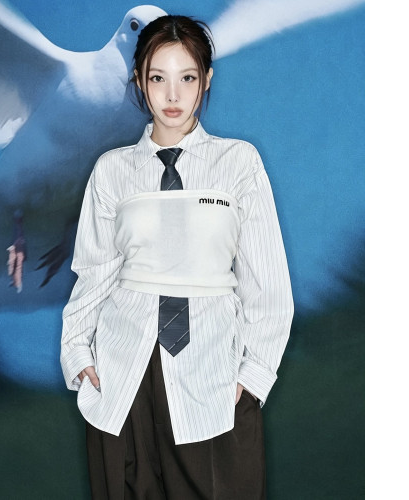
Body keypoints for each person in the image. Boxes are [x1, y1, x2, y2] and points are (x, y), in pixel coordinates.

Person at [61, 14, 294, 500]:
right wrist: (79, 353)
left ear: (206, 79)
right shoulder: (112, 171)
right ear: (138, 82)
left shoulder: (239, 163)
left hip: (213, 376)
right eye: (157, 78)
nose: (172, 95)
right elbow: (94, 273)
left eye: (187, 78)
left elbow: (267, 284)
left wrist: (252, 379)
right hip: (123, 377)